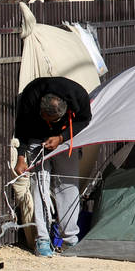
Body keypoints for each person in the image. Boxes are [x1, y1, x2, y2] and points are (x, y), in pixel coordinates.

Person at [13, 76, 92, 256]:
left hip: (64, 140)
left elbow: (84, 120)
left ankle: (70, 240)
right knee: (39, 186)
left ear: (64, 112)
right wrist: (21, 157)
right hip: (36, 139)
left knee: (68, 186)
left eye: (52, 120)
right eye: (44, 117)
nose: (48, 121)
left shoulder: (78, 96)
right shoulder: (32, 95)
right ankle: (42, 239)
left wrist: (61, 137)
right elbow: (22, 125)